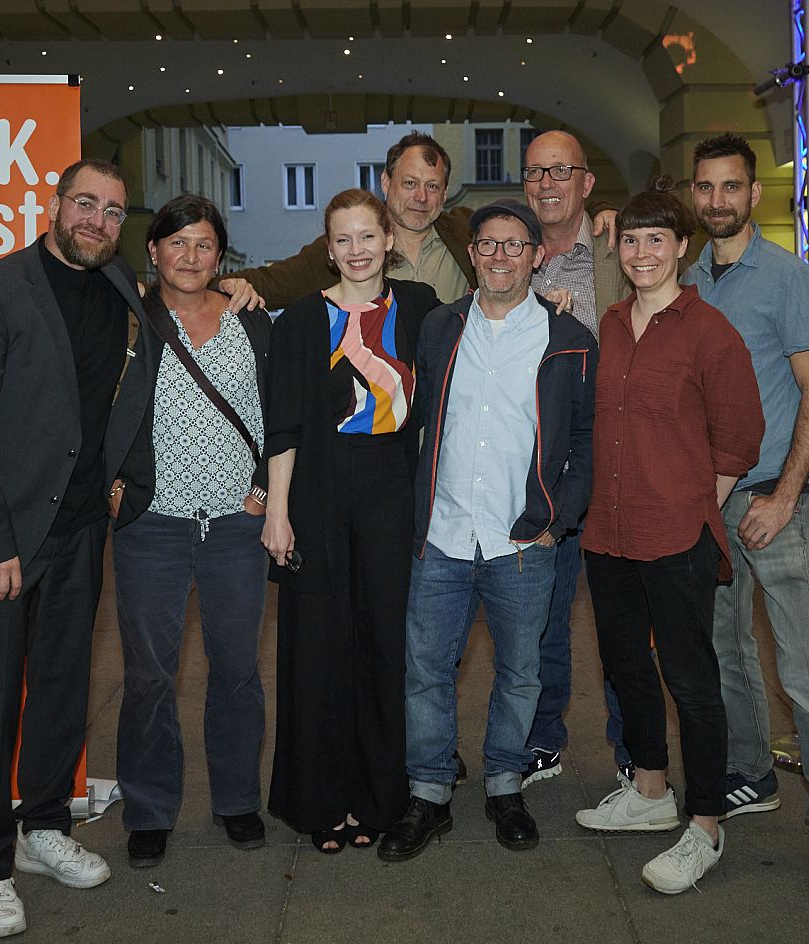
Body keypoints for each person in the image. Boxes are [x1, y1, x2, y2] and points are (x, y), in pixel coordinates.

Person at [0, 159, 147, 938]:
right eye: (85, 203)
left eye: (112, 211)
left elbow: (115, 396)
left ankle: (43, 827)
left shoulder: (118, 289)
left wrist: (118, 480)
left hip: (77, 529)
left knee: (60, 686)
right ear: (54, 205)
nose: (97, 221)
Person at [377, 200, 596, 861]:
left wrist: (557, 521)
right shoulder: (439, 326)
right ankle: (428, 792)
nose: (501, 256)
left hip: (521, 541)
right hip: (442, 534)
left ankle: (506, 784)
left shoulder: (568, 338)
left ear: (537, 256)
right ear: (472, 255)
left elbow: (585, 439)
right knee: (425, 670)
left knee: (521, 672)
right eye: (489, 245)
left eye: (515, 245)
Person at [683, 132, 809, 899]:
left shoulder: (787, 277)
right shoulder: (687, 278)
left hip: (776, 500)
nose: (717, 200)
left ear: (754, 194)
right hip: (712, 502)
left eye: (731, 186)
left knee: (803, 667)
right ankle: (751, 772)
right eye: (706, 187)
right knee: (723, 650)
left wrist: (785, 496)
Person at [574, 179, 763, 896]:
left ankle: (706, 824)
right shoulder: (610, 324)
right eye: (630, 240)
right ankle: (650, 790)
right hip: (608, 530)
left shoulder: (709, 332)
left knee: (691, 680)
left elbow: (739, 438)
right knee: (626, 665)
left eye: (656, 239)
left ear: (683, 247)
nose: (642, 252)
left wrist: (693, 507)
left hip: (677, 533)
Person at [262, 188, 441, 853]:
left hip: (393, 495)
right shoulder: (300, 321)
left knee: (386, 648)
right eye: (343, 239)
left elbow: (490, 321)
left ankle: (378, 797)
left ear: (389, 239)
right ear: (328, 248)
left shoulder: (420, 306)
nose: (357, 250)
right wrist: (277, 513)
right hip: (316, 494)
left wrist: (552, 302)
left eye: (368, 236)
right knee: (317, 649)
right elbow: (283, 426)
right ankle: (321, 800)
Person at [108, 195, 272, 870]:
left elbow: (278, 410)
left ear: (220, 256)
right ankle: (149, 810)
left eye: (204, 245)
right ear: (153, 250)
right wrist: (111, 476)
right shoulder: (128, 318)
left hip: (236, 525)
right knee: (149, 674)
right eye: (177, 242)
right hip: (152, 526)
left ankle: (236, 800)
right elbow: (92, 400)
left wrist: (266, 489)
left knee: (236, 669)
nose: (190, 256)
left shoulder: (251, 319)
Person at [518, 130, 631, 788]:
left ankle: (634, 751)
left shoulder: (621, 247)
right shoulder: (513, 257)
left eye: (560, 171)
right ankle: (543, 738)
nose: (547, 184)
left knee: (621, 620)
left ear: (587, 183)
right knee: (543, 616)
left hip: (617, 467)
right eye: (536, 172)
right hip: (547, 473)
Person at [219, 131, 619, 308]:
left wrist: (600, 207)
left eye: (432, 186)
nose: (421, 197)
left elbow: (543, 205)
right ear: (386, 182)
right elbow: (273, 283)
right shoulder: (354, 248)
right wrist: (222, 286)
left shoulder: (467, 232)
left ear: (444, 194)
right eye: (410, 183)